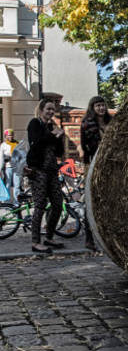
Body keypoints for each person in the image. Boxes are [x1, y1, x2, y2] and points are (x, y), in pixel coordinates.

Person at [26, 99, 66, 253]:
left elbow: (58, 152)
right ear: (42, 109)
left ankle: (49, 236)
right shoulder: (34, 124)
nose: (51, 112)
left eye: (53, 110)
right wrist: (51, 135)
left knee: (57, 202)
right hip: (39, 171)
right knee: (40, 205)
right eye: (48, 109)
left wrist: (59, 138)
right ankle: (35, 242)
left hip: (52, 171)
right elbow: (36, 144)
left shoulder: (51, 127)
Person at [79, 95, 112, 251]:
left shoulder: (111, 124)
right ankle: (89, 238)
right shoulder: (87, 125)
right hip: (93, 164)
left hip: (109, 165)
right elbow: (86, 146)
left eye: (103, 105)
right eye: (98, 105)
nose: (101, 108)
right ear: (92, 108)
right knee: (91, 201)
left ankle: (108, 236)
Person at [1, 129, 18, 203]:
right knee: (7, 185)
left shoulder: (17, 143)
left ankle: (16, 202)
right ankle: (7, 203)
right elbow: (1, 158)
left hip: (17, 168)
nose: (10, 136)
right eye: (9, 135)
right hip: (8, 167)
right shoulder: (3, 145)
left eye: (11, 135)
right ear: (6, 136)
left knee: (17, 186)